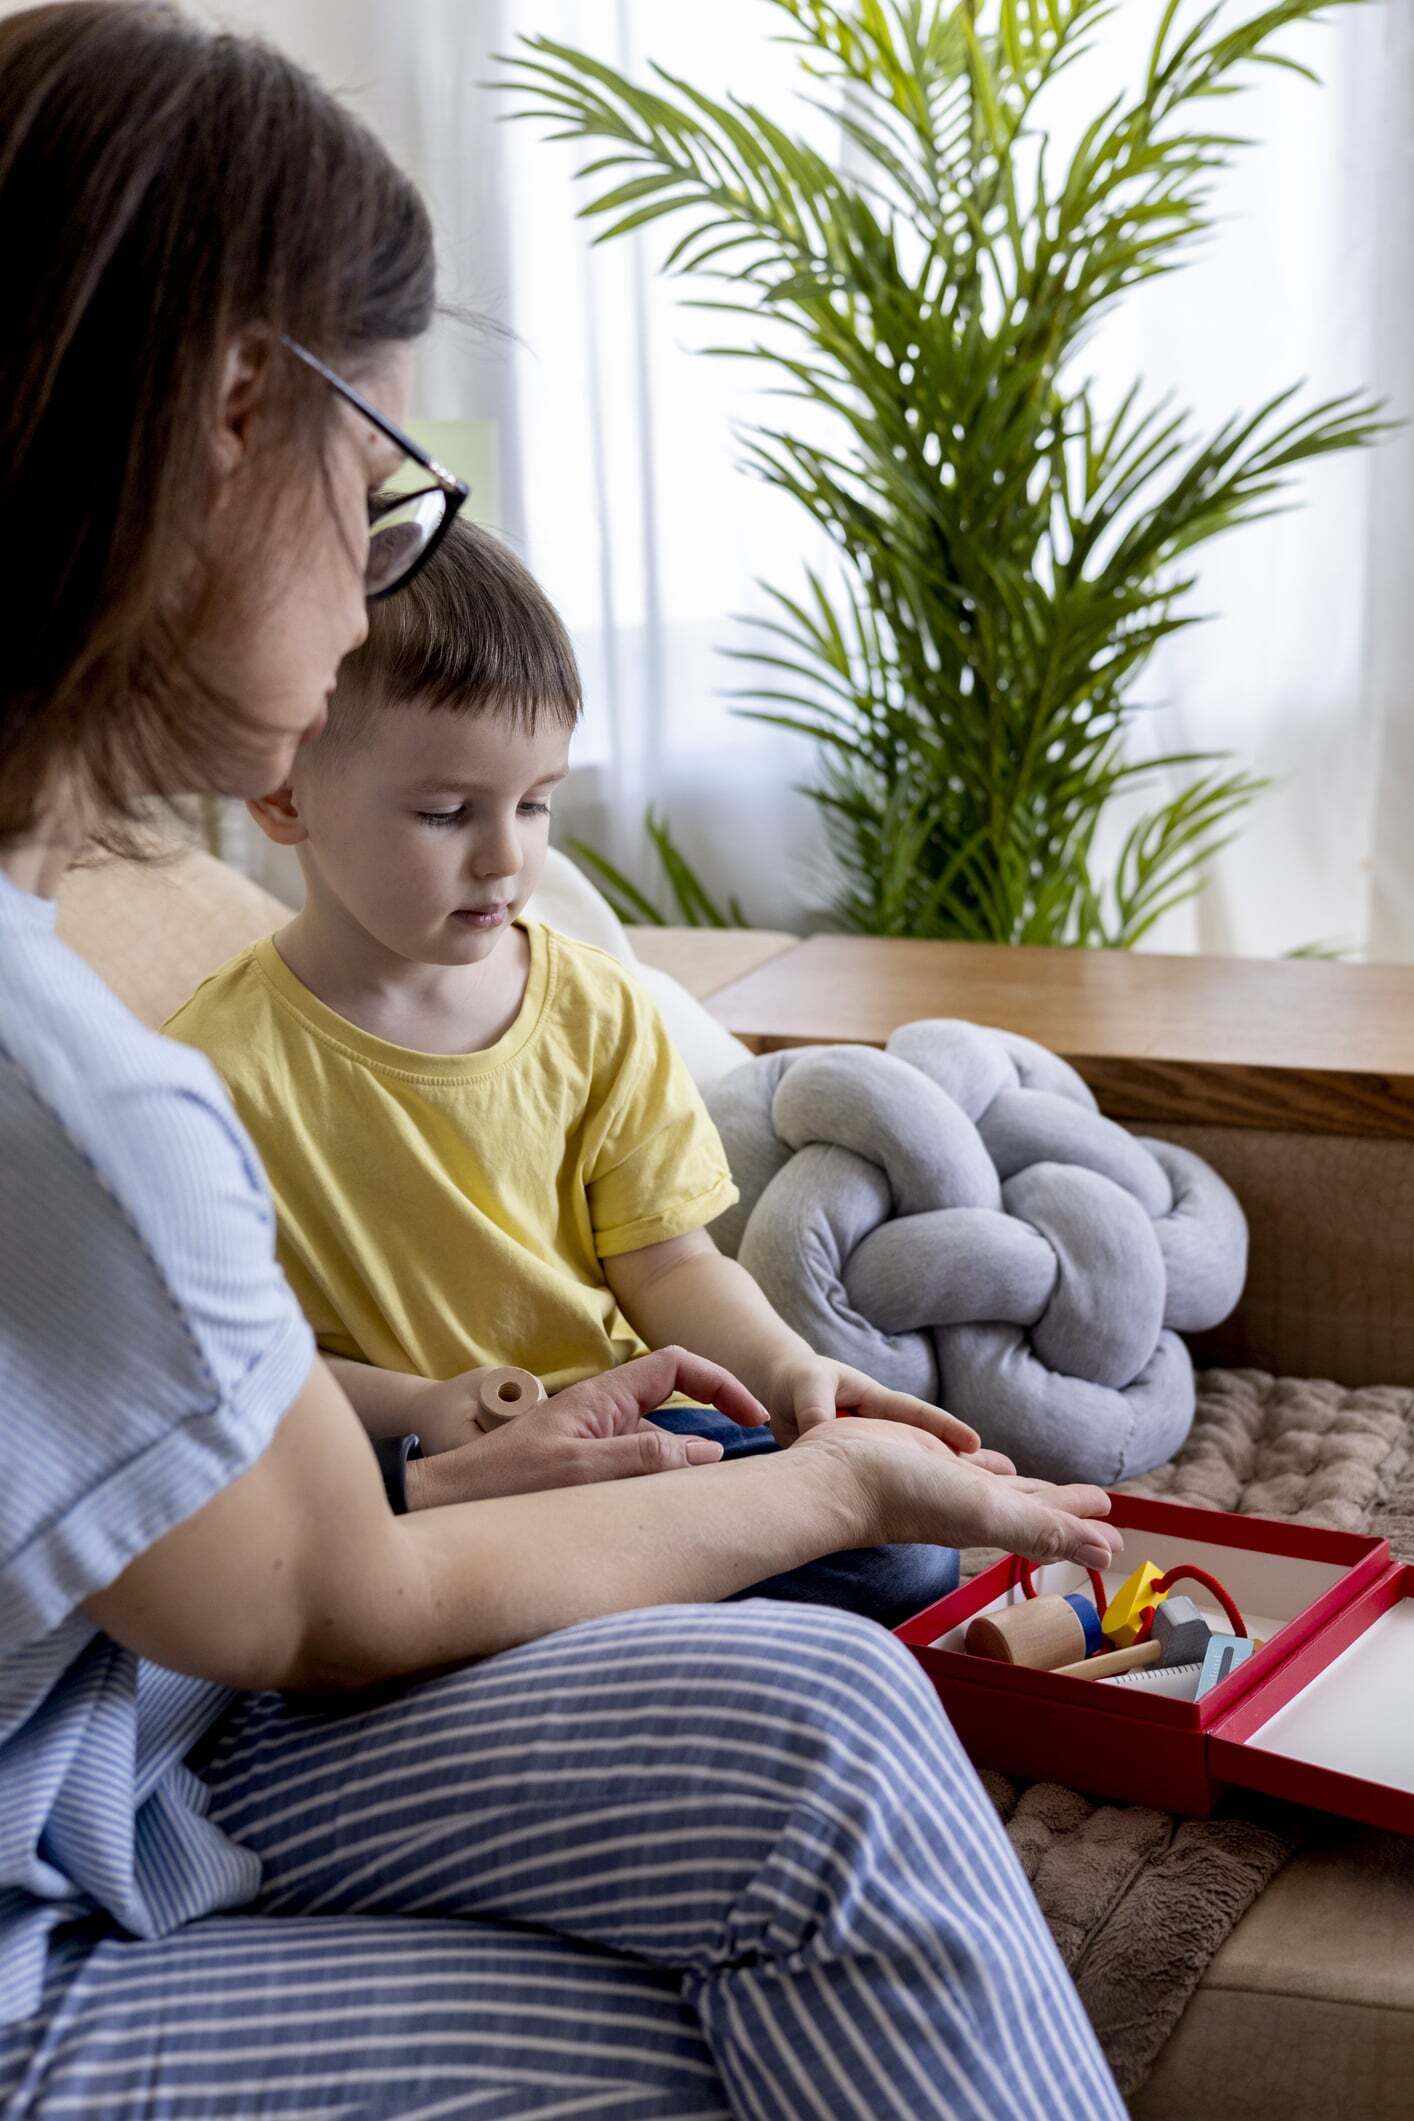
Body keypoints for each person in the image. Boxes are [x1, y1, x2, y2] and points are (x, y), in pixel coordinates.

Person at [0, 5, 1126, 2114]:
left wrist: (512, 1440)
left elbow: (279, 1529)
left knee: (833, 1749)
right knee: (776, 1969)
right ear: (238, 412)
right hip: (93, 1838)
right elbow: (330, 1595)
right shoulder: (94, 1082)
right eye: (386, 504)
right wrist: (834, 1466)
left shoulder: (88, 1045)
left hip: (132, 1733)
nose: (362, 601)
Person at [167, 515, 976, 1624]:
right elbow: (235, 1377)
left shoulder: (598, 1009)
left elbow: (672, 1271)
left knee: (906, 1554)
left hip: (627, 1441)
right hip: (410, 1485)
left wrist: (794, 1375)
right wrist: (427, 1409)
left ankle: (620, 1619)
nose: (506, 857)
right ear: (284, 796)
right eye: (448, 812)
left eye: (536, 802)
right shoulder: (206, 1072)